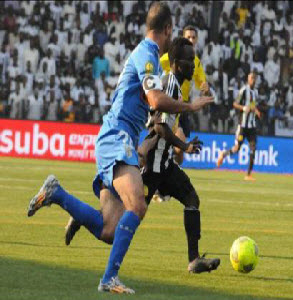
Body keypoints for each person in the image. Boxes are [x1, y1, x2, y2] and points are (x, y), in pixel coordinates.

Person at [27, 2, 213, 294]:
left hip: (116, 138)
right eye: (172, 30)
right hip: (118, 137)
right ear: (166, 29)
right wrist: (190, 105)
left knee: (110, 230)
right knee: (137, 205)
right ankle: (109, 279)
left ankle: (57, 194)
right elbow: (155, 100)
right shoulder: (148, 54)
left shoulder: (145, 54)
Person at [64, 37, 220, 274]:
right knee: (122, 222)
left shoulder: (176, 87)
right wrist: (184, 147)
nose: (193, 64)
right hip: (151, 166)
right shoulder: (169, 84)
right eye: (189, 60)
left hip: (164, 165)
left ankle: (194, 259)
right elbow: (159, 126)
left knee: (191, 199)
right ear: (177, 63)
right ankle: (83, 217)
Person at [160, 25, 210, 165]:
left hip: (184, 107)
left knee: (179, 151)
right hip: (171, 103)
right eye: (188, 37)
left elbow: (202, 83)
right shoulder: (173, 56)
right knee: (178, 142)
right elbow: (158, 64)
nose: (191, 40)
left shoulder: (196, 62)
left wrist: (205, 87)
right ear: (183, 37)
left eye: (193, 37)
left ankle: (173, 171)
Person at [216, 72, 261, 181]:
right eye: (251, 78)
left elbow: (253, 105)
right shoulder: (243, 90)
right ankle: (224, 154)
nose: (253, 80)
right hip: (242, 126)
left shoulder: (255, 93)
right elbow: (235, 104)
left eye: (254, 78)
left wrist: (256, 111)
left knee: (253, 149)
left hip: (252, 127)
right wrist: (243, 108)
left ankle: (248, 174)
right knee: (236, 149)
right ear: (248, 79)